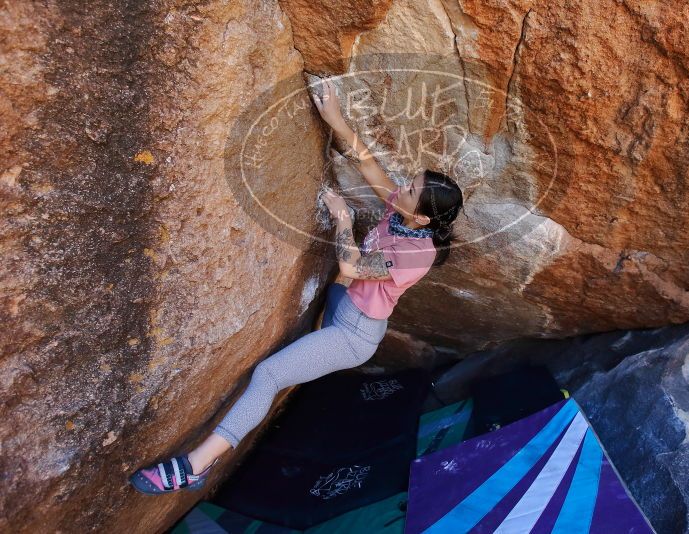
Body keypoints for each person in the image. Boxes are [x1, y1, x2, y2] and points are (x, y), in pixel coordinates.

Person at [129, 79, 464, 495]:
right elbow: (369, 166)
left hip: (353, 335)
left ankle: (196, 465)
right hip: (345, 306)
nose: (402, 189)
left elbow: (351, 265)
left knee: (269, 375)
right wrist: (336, 120)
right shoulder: (402, 212)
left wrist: (343, 219)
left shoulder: (418, 253)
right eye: (410, 183)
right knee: (332, 296)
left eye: (411, 190)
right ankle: (310, 350)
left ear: (424, 219)